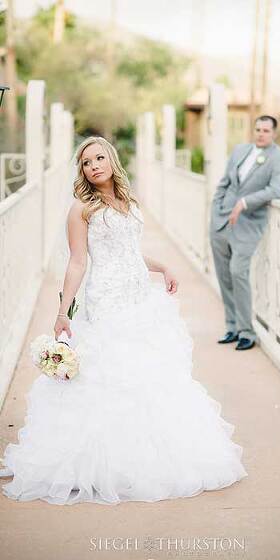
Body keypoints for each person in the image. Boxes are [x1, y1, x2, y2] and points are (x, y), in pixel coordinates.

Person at [0, 137, 247, 505]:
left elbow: (129, 253)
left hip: (140, 298)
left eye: (100, 157)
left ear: (112, 160)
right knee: (112, 374)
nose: (94, 165)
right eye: (86, 162)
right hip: (107, 298)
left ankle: (148, 458)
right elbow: (78, 262)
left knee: (149, 373)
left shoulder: (128, 202)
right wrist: (62, 312)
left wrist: (161, 267)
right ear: (81, 171)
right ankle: (104, 463)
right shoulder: (81, 209)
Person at [209, 115, 280, 351]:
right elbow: (225, 183)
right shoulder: (240, 151)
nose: (261, 133)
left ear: (274, 133)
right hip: (221, 221)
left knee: (238, 271)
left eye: (266, 130)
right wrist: (215, 211)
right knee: (224, 276)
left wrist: (245, 202)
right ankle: (232, 327)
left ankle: (247, 331)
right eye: (258, 129)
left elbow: (276, 189)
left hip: (248, 224)